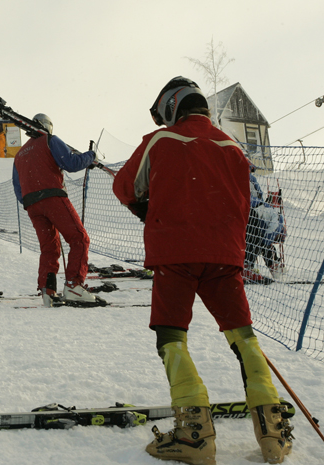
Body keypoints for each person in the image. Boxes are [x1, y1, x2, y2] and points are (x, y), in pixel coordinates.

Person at [112, 76, 292, 465]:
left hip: (174, 255)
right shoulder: (233, 148)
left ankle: (194, 435)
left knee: (172, 337)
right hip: (225, 257)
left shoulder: (159, 141)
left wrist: (149, 209)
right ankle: (273, 432)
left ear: (173, 106)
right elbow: (243, 206)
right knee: (244, 337)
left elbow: (125, 187)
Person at [12, 113, 103, 306]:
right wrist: (91, 156)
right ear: (48, 126)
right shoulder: (49, 140)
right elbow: (71, 163)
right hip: (52, 196)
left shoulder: (19, 154)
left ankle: (47, 290)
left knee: (49, 248)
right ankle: (74, 286)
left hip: (32, 205)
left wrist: (31, 200)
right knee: (79, 238)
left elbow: (17, 187)